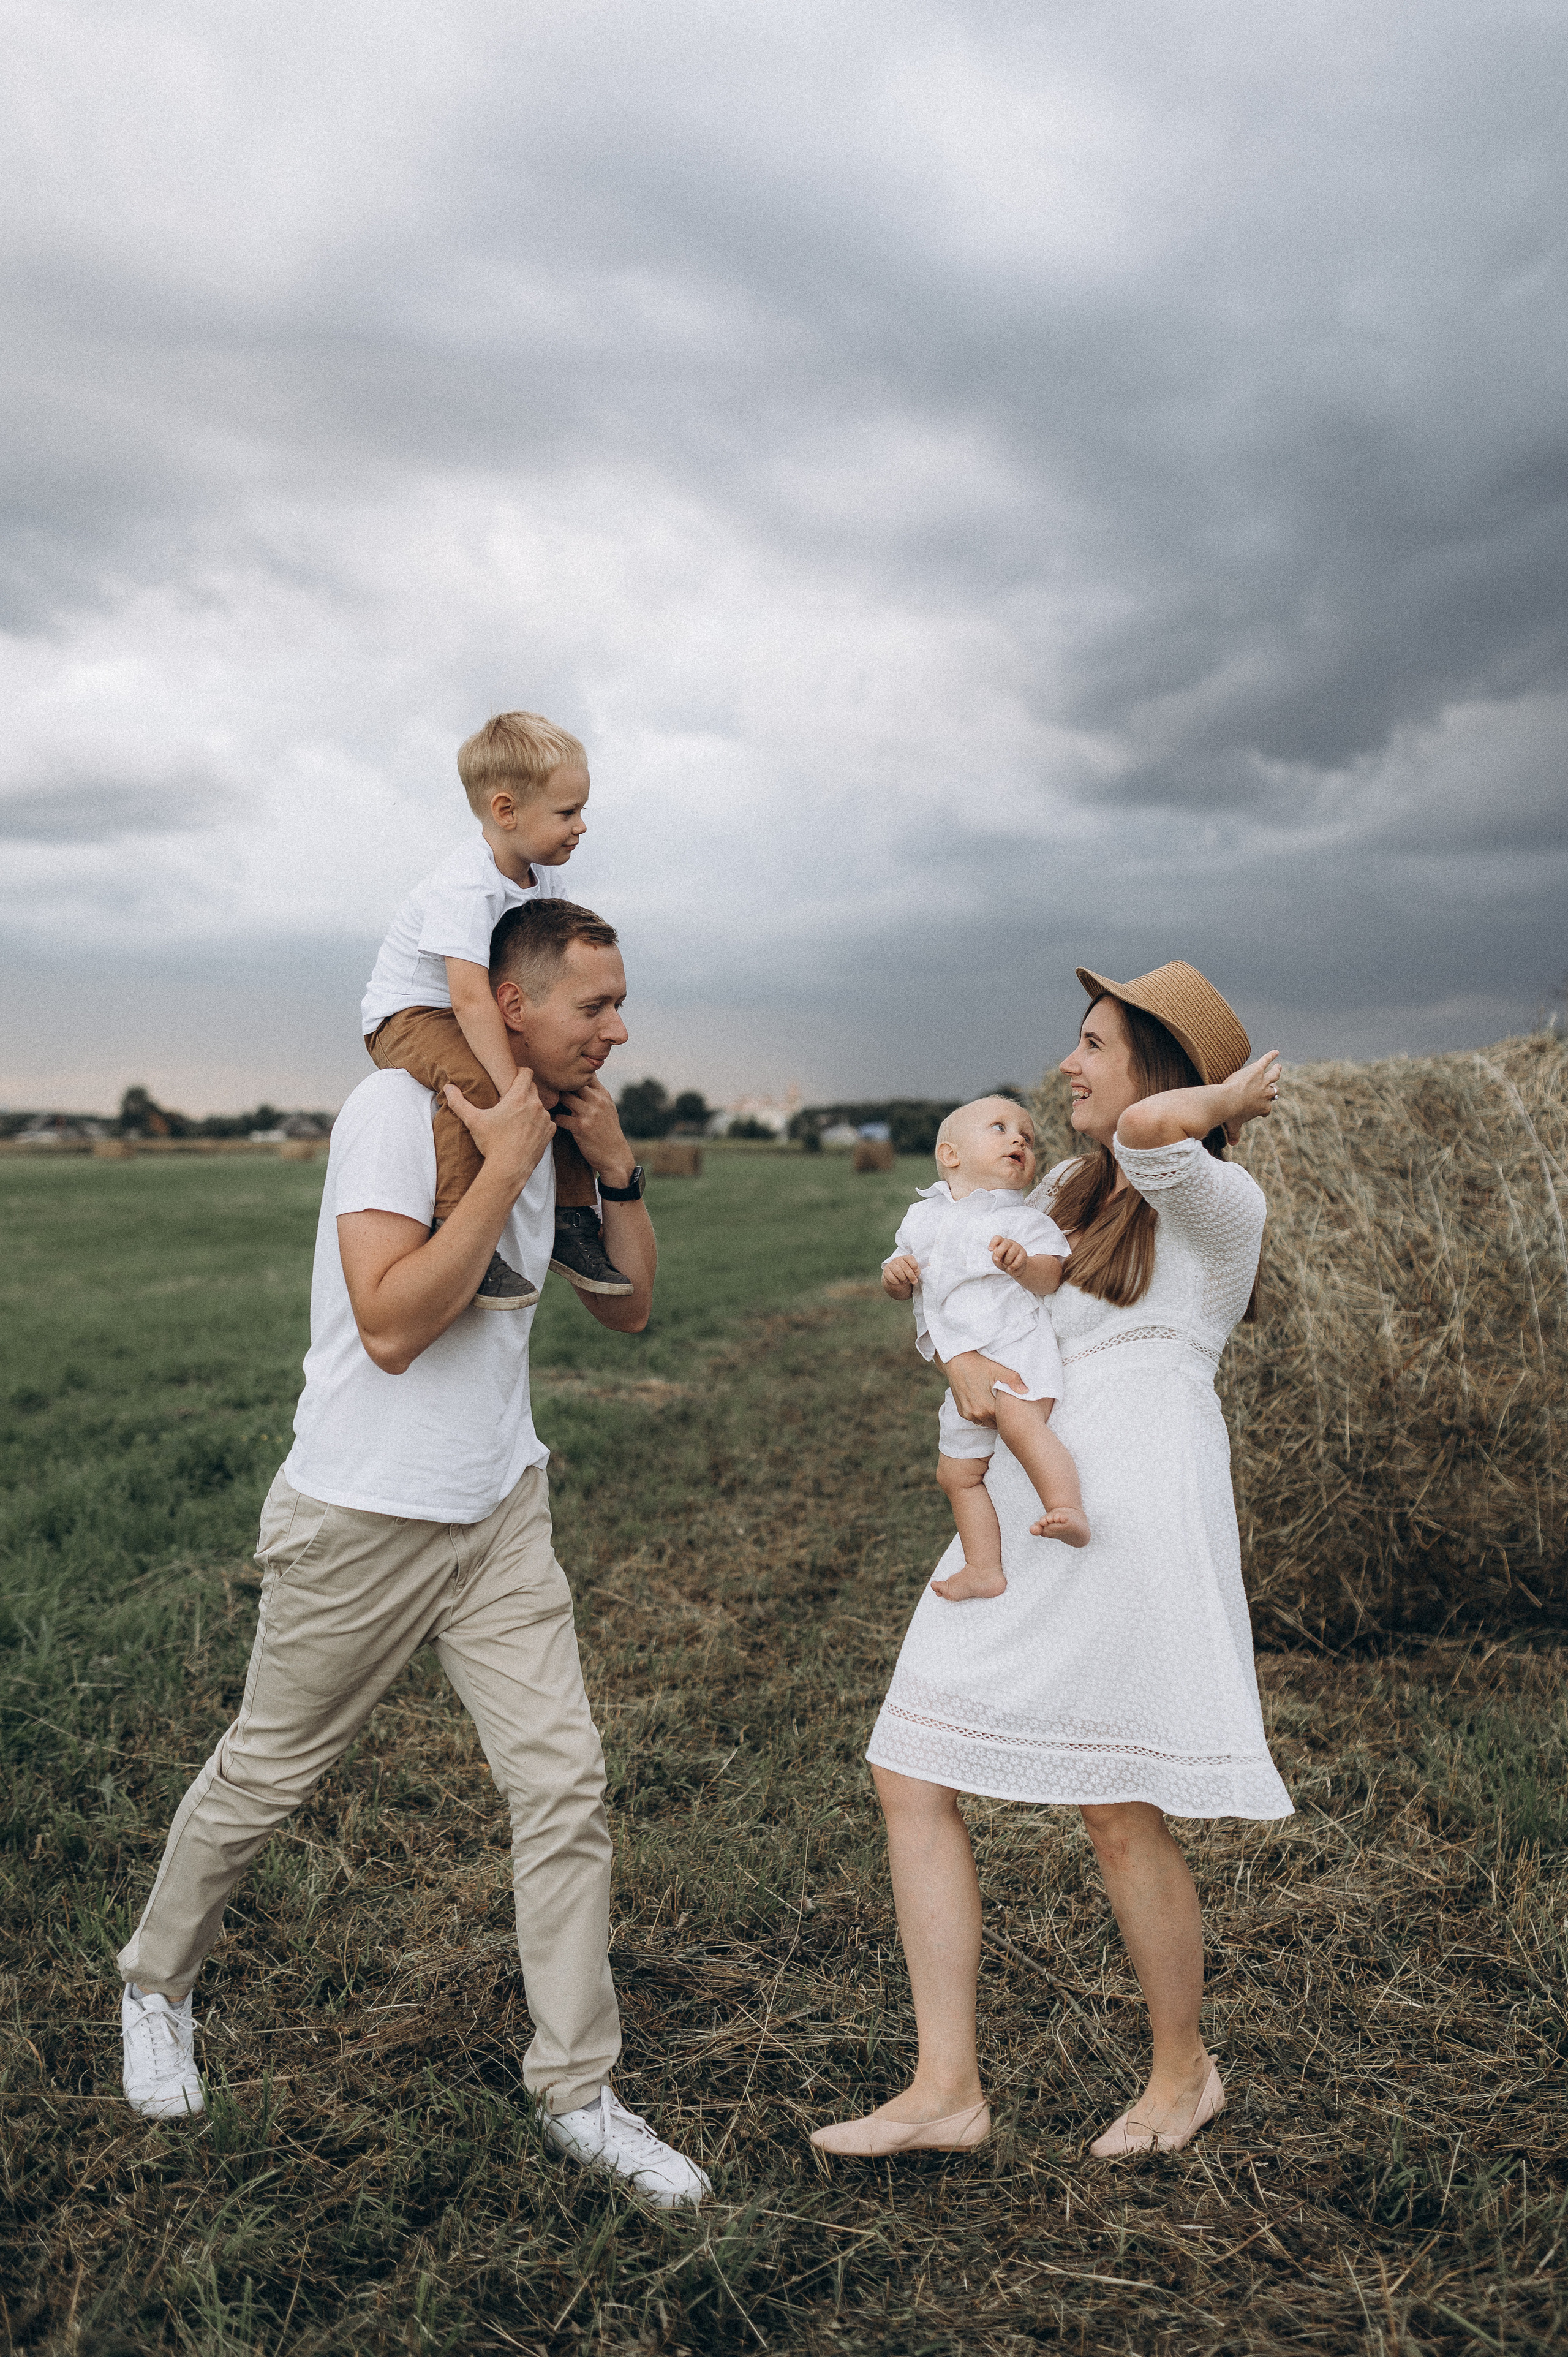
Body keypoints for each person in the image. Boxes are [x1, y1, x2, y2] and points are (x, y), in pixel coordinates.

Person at [118, 898, 710, 2208]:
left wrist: (612, 1165)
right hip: (362, 1515)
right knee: (267, 1772)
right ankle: (155, 1985)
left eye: (620, 1004)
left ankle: (578, 2090)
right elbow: (392, 1326)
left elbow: (629, 1311)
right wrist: (505, 1164)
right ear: (514, 1003)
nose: (619, 1029)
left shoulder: (555, 1125)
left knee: (564, 1789)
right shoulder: (393, 1111)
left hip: (501, 1507)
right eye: (597, 1004)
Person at [812, 960, 1291, 2162]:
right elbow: (975, 1313)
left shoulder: (1217, 1202)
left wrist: (1222, 1099)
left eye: (1093, 1044)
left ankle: (1183, 2072)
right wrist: (955, 1360)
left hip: (1133, 1511)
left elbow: (1157, 1136)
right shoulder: (1070, 1193)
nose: (1065, 1065)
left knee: (1115, 1807)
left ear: (1163, 1073)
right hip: (1035, 1501)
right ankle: (944, 2088)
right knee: (909, 1761)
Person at [361, 708, 634, 1309]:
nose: (582, 826)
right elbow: (466, 996)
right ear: (506, 810)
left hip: (477, 1009)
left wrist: (540, 1081)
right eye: (567, 813)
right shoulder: (467, 885)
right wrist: (514, 1090)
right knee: (482, 1088)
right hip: (411, 1015)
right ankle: (459, 1230)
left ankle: (571, 1220)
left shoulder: (545, 882)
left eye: (582, 810)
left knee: (564, 1085)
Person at [881, 1095, 1087, 1603]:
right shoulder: (921, 1217)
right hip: (959, 1361)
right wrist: (896, 1276)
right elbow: (900, 1276)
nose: (1019, 1138)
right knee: (955, 1474)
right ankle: (983, 1567)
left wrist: (1024, 1265)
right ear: (950, 1155)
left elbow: (1052, 1275)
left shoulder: (1023, 1219)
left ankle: (1067, 1507)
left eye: (1028, 1137)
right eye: (1000, 1127)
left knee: (1020, 1424)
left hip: (1017, 1353)